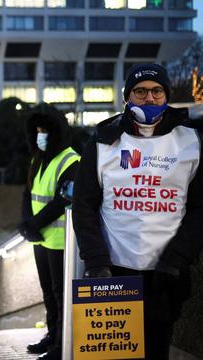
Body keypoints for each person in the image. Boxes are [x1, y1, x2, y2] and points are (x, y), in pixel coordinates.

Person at [73, 63, 203, 359]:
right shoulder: (103, 141)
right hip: (113, 272)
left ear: (166, 95)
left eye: (157, 91)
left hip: (164, 274)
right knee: (112, 355)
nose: (149, 98)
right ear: (127, 97)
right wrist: (95, 261)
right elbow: (83, 206)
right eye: (140, 91)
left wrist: (176, 260)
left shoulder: (192, 141)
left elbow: (200, 210)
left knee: (156, 351)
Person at [19, 105, 80, 360]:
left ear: (56, 132)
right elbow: (28, 193)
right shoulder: (38, 158)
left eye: (44, 130)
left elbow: (62, 200)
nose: (40, 135)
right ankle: (52, 334)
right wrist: (26, 223)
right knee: (48, 292)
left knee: (61, 294)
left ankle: (61, 345)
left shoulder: (71, 160)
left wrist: (34, 224)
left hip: (60, 240)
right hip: (40, 238)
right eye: (37, 130)